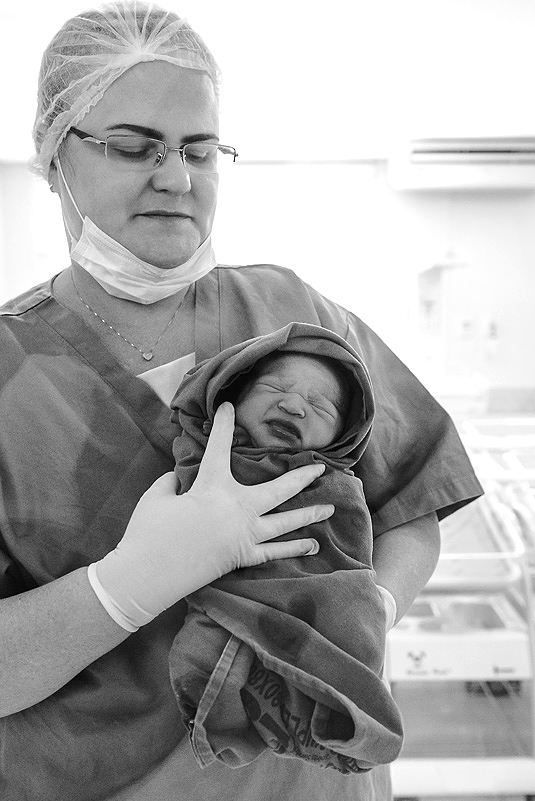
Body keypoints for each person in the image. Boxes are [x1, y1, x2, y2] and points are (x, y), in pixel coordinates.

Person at [0, 4, 483, 800]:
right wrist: (126, 584)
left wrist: (358, 613)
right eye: (134, 146)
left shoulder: (297, 319)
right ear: (54, 155)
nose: (176, 176)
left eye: (201, 149)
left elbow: (412, 506)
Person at [167, 322, 400, 775]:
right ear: (229, 393)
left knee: (348, 628)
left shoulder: (333, 484)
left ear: (343, 437)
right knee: (202, 652)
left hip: (312, 596)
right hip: (221, 601)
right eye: (274, 386)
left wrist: (371, 605)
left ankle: (324, 715)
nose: (293, 405)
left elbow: (347, 554)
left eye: (321, 406)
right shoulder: (201, 452)